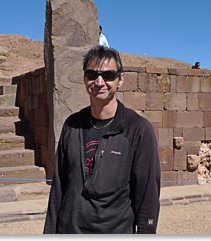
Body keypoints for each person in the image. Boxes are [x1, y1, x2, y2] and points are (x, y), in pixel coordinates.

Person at [43, 45, 161, 234]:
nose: (99, 82)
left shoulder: (138, 130)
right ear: (84, 79)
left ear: (120, 80)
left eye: (108, 75)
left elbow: (147, 195)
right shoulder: (72, 125)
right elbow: (58, 188)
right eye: (92, 75)